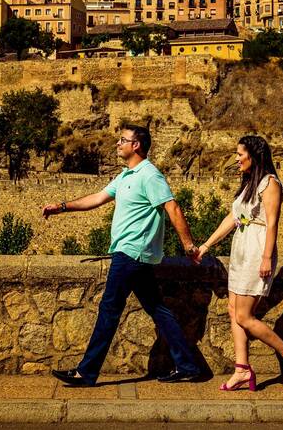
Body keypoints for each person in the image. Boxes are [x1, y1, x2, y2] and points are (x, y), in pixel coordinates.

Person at [42, 124, 204, 387]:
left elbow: (172, 207)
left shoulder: (149, 175)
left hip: (131, 253)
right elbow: (96, 198)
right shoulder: (126, 176)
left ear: (136, 145)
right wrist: (61, 207)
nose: (117, 143)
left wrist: (188, 246)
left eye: (122, 140)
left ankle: (87, 372)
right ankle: (187, 365)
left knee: (109, 310)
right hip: (132, 255)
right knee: (159, 310)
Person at [195, 135, 283, 391]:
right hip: (241, 248)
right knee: (232, 310)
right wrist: (207, 245)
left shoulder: (270, 183)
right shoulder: (250, 182)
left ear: (254, 155)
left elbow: (272, 223)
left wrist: (266, 258)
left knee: (244, 316)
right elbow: (233, 217)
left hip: (257, 250)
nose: (236, 159)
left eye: (240, 154)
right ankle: (242, 370)